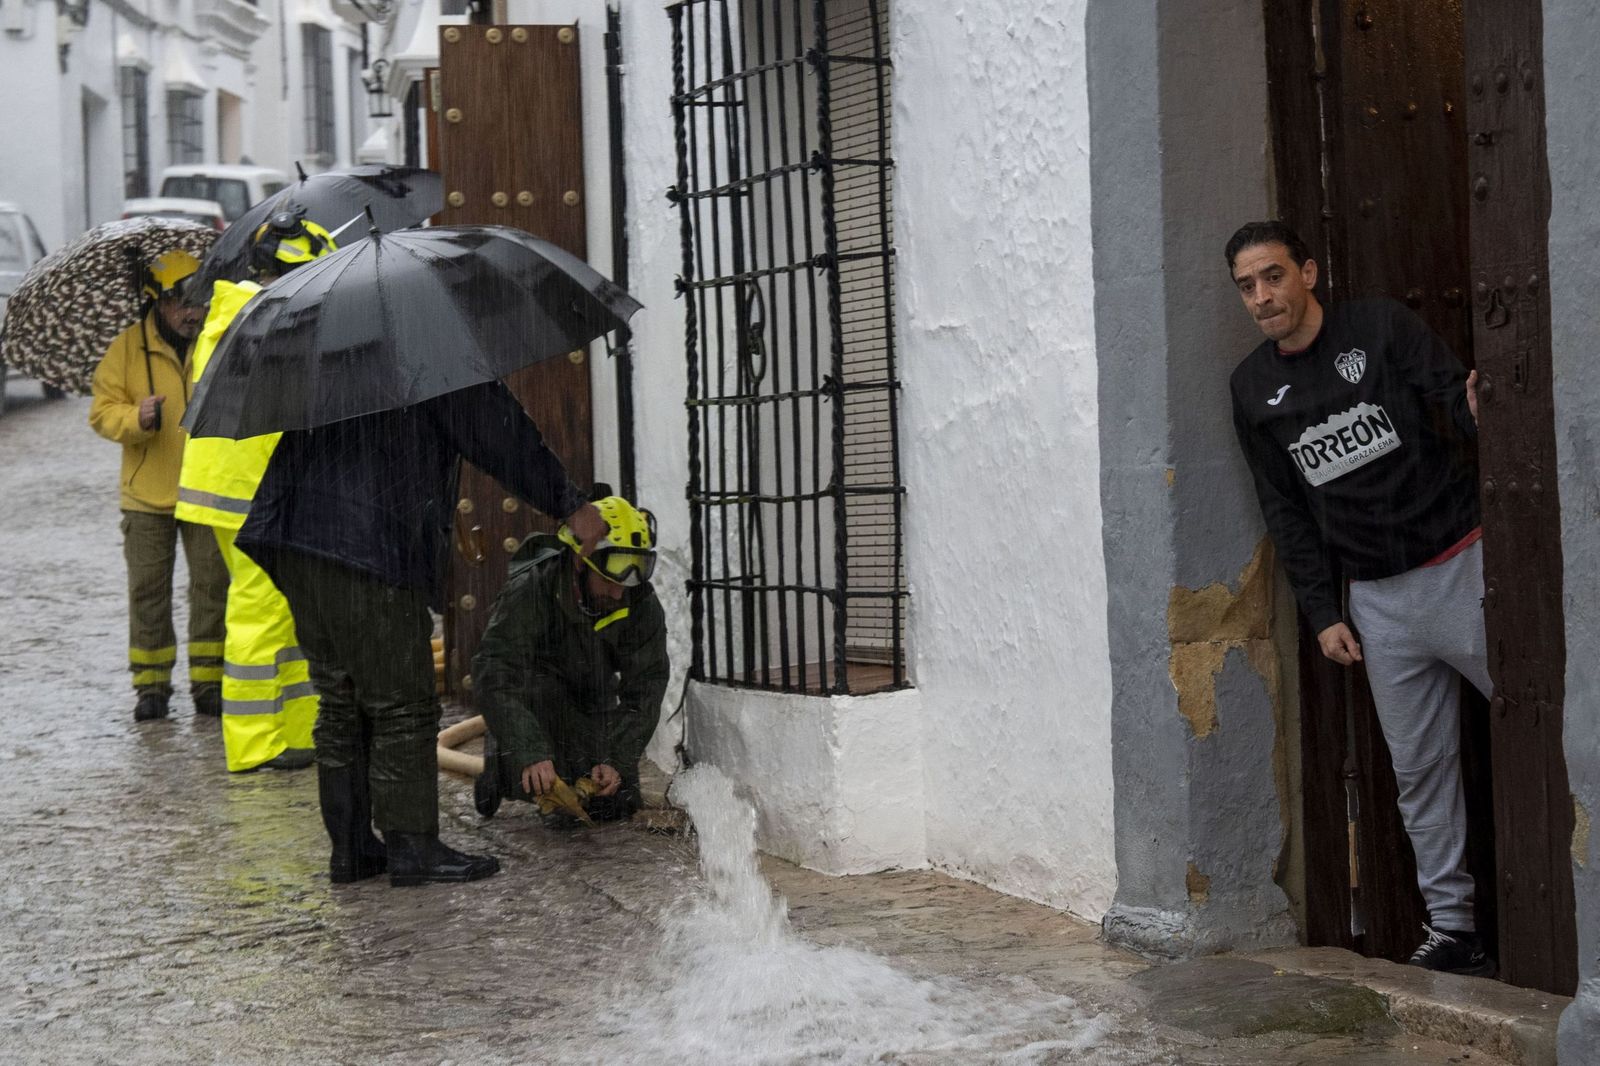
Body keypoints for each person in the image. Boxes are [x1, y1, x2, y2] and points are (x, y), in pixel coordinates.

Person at [1225, 220, 1491, 976]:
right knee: (1420, 771)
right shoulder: (1251, 387)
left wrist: (1482, 405)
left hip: (1461, 567)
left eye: (1273, 276)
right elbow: (1284, 509)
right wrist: (1323, 612)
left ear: (1308, 273)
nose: (1262, 296)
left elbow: (1452, 399)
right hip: (1375, 604)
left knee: (1545, 726)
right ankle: (1454, 929)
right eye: (1246, 286)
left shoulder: (1377, 328)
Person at [236, 365, 606, 887]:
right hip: (364, 541)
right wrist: (569, 504)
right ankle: (412, 847)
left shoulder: (338, 349)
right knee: (403, 704)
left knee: (342, 700)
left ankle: (352, 850)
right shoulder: (428, 353)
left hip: (293, 533)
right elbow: (494, 430)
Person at [175, 210, 338, 773]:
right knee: (260, 610)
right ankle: (252, 744)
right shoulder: (266, 317)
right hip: (247, 488)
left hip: (238, 485)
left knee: (283, 609)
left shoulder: (240, 311)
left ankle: (296, 729)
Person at [89, 250, 228, 723]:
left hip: (205, 489)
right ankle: (151, 687)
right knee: (148, 593)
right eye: (182, 302)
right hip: (146, 497)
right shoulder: (127, 348)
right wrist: (137, 417)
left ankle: (209, 682)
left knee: (213, 588)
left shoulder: (217, 340)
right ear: (157, 302)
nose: (193, 312)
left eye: (200, 301)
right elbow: (102, 412)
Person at [472, 495, 670, 825]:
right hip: (536, 697)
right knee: (559, 801)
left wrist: (616, 759)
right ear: (581, 562)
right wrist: (530, 751)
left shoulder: (639, 601)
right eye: (608, 580)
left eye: (627, 583)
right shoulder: (533, 588)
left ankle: (566, 762)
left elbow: (647, 685)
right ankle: (501, 767)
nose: (618, 593)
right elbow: (493, 673)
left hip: (592, 697)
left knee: (613, 803)